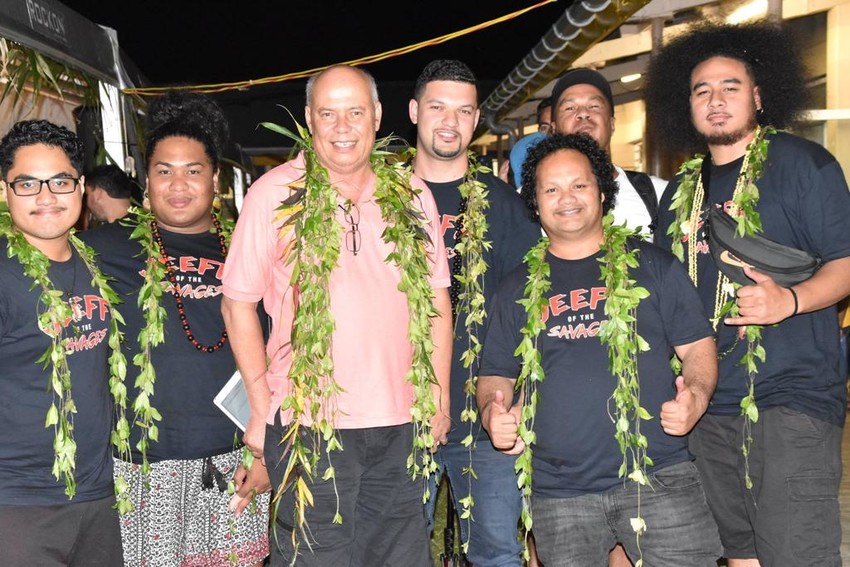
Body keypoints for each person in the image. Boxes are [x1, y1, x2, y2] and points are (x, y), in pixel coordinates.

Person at [220, 65, 452, 566]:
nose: (342, 126)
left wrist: (438, 394)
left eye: (355, 112)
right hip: (309, 425)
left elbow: (436, 302)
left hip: (401, 423)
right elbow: (237, 303)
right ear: (309, 119)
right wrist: (261, 408)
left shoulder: (412, 196)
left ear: (377, 116)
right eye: (328, 113)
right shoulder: (273, 195)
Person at [645, 20, 850, 567]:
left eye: (730, 87)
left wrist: (791, 301)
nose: (715, 100)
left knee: (794, 553)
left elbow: (846, 263)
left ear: (758, 96)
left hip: (790, 396)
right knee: (739, 554)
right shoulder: (680, 193)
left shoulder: (803, 165)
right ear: (685, 105)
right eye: (702, 91)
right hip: (710, 403)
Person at [478, 133, 723, 566]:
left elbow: (699, 345)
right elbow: (496, 373)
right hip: (560, 493)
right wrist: (492, 413)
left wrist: (697, 396)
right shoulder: (513, 287)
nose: (566, 198)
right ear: (533, 201)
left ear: (602, 191)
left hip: (659, 476)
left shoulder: (653, 266)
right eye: (550, 189)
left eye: (579, 185)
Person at [81, 92, 270, 567]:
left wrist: (271, 451)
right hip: (139, 467)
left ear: (216, 179)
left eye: (193, 170)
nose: (178, 184)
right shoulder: (100, 249)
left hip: (234, 462)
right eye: (164, 171)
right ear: (147, 181)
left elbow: (284, 352)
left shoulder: (252, 249)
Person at [408, 59, 541, 566]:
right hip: (399, 414)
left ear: (477, 118)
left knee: (496, 553)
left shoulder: (505, 206)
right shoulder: (382, 199)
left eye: (464, 111)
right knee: (396, 551)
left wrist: (518, 403)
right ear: (415, 110)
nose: (450, 121)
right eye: (438, 107)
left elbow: (531, 310)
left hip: (487, 417)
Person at [0, 120, 124, 565]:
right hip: (17, 506)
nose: (46, 196)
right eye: (27, 183)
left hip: (97, 495)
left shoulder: (95, 263)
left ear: (82, 186)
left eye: (60, 181)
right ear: (4, 190)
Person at [550, 67, 666, 240]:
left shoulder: (658, 194)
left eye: (594, 106)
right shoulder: (527, 201)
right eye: (570, 108)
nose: (583, 114)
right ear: (553, 129)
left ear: (612, 124)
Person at [499, 98, 553, 186]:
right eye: (544, 127)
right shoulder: (523, 155)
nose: (550, 133)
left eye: (555, 125)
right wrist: (504, 192)